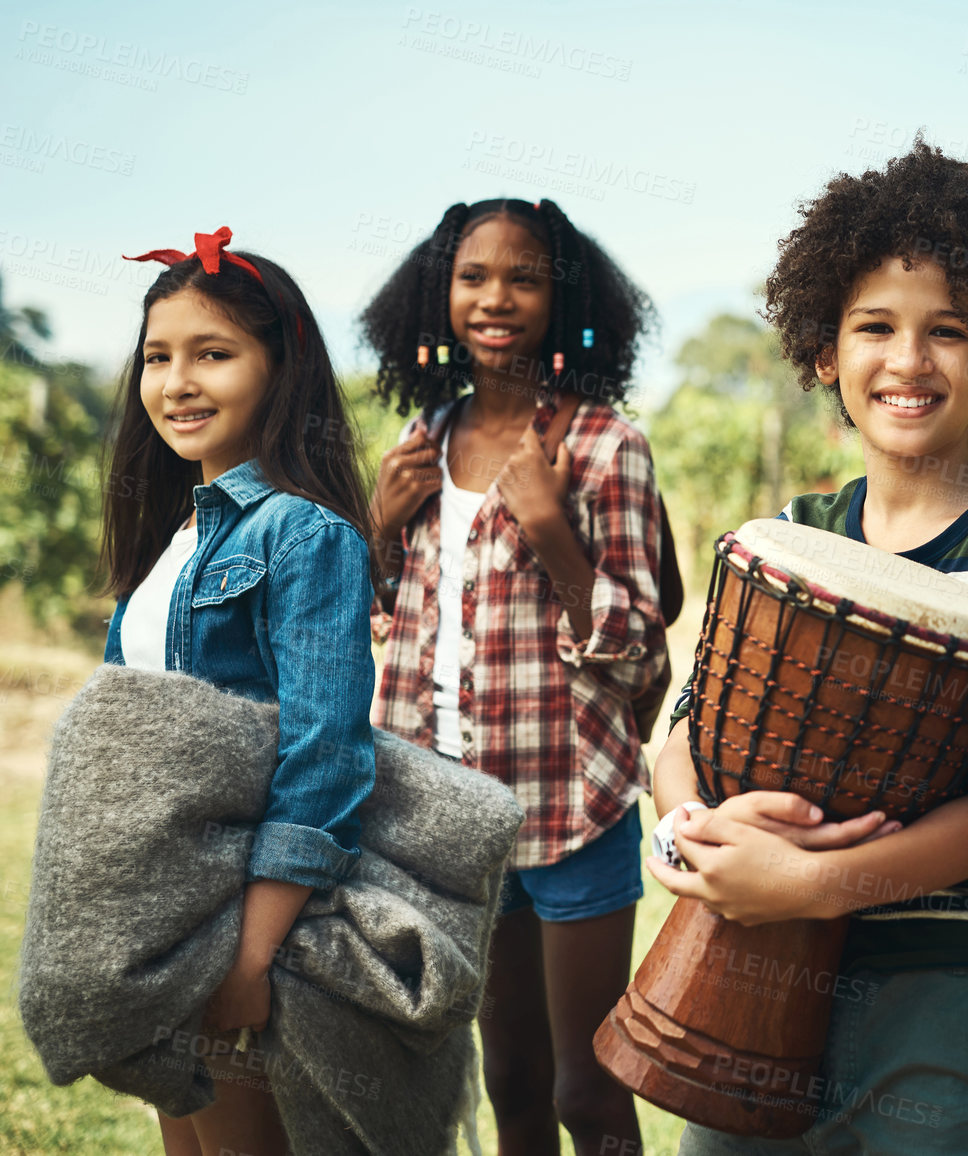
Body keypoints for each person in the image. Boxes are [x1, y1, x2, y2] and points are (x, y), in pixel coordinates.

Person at [648, 139, 968, 1156]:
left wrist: (810, 883)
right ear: (824, 350)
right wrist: (688, 830)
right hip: (751, 972)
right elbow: (683, 728)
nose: (908, 361)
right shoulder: (789, 531)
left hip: (952, 995)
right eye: (874, 327)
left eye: (948, 330)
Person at [361, 198, 667, 1156]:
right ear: (437, 296)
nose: (496, 297)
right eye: (473, 276)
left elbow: (642, 651)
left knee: (588, 1086)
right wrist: (378, 520)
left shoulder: (605, 448)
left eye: (524, 276)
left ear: (564, 298)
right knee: (512, 1081)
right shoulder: (420, 445)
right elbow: (389, 622)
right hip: (453, 814)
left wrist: (551, 533)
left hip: (569, 805)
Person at [100, 227, 377, 1156]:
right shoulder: (175, 539)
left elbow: (325, 753)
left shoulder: (303, 535)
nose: (177, 381)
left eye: (212, 354)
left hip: (243, 919)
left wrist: (251, 951)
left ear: (281, 367)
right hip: (164, 911)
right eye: (158, 357)